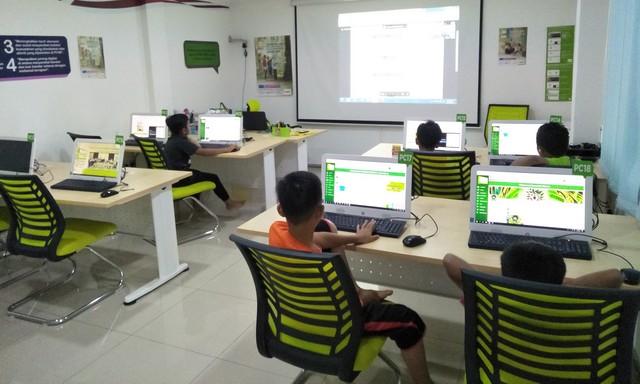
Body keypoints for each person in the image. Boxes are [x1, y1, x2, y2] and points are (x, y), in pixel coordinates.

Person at [270, 171, 435, 384]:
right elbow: (353, 307)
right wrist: (370, 296)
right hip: (336, 324)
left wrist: (356, 237)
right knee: (409, 322)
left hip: (291, 316)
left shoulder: (276, 230)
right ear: (320, 210)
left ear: (280, 209)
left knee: (326, 227)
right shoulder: (324, 269)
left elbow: (315, 237)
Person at [443, 241, 622, 290]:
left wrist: (493, 283)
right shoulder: (572, 306)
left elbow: (449, 260)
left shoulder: (490, 297)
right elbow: (615, 276)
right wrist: (566, 288)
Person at [164, 113, 244, 211]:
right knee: (213, 177)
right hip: (180, 178)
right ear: (184, 130)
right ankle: (229, 203)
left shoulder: (173, 140)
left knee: (196, 175)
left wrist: (187, 137)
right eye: (188, 125)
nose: (190, 127)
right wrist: (226, 149)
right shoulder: (181, 142)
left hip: (174, 176)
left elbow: (198, 146)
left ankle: (196, 206)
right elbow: (203, 152)